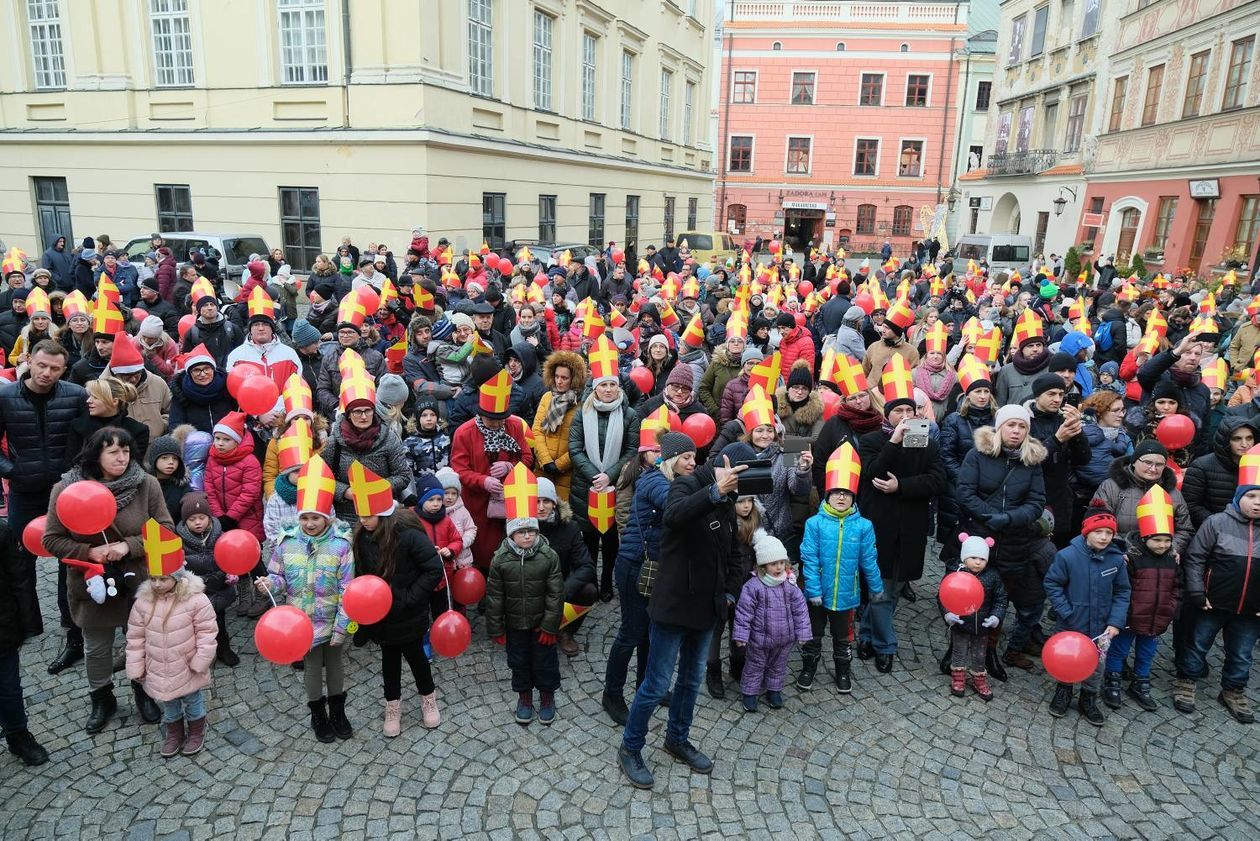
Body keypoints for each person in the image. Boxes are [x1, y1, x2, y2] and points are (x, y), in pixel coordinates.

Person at [618, 451, 746, 790]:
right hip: (674, 606)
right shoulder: (685, 486)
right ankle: (630, 747)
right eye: (734, 469)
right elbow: (675, 516)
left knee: (691, 682)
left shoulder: (727, 500)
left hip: (707, 608)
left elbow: (734, 552)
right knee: (657, 684)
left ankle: (677, 738)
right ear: (721, 464)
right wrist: (715, 492)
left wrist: (730, 593)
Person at [42, 427, 174, 734]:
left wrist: (129, 545)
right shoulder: (66, 488)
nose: (122, 457)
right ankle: (102, 697)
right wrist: (89, 551)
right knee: (97, 647)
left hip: (136, 580)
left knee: (139, 641)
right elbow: (51, 539)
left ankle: (143, 691)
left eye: (126, 451)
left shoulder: (146, 484)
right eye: (113, 451)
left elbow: (166, 527)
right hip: (92, 583)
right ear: (95, 454)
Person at [0, 340, 87, 673]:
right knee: (21, 559)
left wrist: (73, 474)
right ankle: (27, 623)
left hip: (66, 492)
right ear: (29, 362)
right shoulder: (6, 397)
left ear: (64, 369)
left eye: (54, 368)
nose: (47, 373)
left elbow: (85, 441)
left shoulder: (75, 396)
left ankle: (73, 631)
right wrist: (12, 471)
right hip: (24, 489)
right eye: (41, 365)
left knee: (69, 560)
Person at [856, 365, 948, 672]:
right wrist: (894, 442)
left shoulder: (929, 443)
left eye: (911, 409)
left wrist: (903, 486)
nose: (906, 415)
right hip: (879, 526)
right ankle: (886, 645)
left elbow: (938, 481)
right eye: (900, 411)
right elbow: (872, 473)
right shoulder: (871, 440)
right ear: (888, 415)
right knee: (880, 588)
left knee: (893, 589)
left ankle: (867, 634)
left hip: (910, 526)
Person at [256, 457, 355, 742]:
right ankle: (318, 714)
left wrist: (341, 627)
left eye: (316, 517)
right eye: (305, 517)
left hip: (332, 618)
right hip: (303, 621)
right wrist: (269, 584)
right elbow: (279, 577)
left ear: (328, 518)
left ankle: (338, 710)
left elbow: (348, 589)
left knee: (335, 664)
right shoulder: (286, 543)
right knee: (312, 667)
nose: (310, 523)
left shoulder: (341, 546)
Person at [956, 405, 1051, 679]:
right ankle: (959, 649)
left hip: (1013, 541)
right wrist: (989, 516)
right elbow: (964, 491)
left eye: (1022, 427)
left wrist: (1009, 519)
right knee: (969, 595)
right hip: (978, 537)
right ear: (999, 427)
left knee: (999, 598)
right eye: (1011, 425)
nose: (1016, 431)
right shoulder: (977, 455)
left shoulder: (1032, 462)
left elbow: (1036, 502)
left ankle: (988, 652)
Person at [602, 431, 685, 725]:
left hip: (656, 568)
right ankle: (612, 695)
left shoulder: (673, 480)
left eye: (694, 458)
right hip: (634, 565)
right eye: (686, 458)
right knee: (631, 632)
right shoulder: (654, 480)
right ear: (672, 458)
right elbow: (676, 506)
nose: (692, 463)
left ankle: (645, 688)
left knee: (650, 631)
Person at [353, 496, 445, 736]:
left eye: (369, 516)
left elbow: (433, 569)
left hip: (407, 614)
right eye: (360, 515)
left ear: (383, 515)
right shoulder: (362, 538)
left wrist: (409, 598)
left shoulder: (408, 535)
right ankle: (392, 704)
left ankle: (428, 698)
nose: (363, 521)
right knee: (389, 661)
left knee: (417, 660)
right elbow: (360, 574)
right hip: (381, 618)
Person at [1176, 460, 1260, 723]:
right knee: (1198, 643)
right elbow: (1195, 557)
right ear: (1239, 496)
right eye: (1252, 495)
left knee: (1242, 652)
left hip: (1250, 609)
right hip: (1212, 602)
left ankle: (1233, 689)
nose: (1258, 502)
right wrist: (1198, 592)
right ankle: (1187, 680)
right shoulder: (1216, 523)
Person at [1043, 503, 1131, 726]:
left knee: (1097, 665)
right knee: (1067, 659)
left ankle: (1088, 698)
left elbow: (1122, 591)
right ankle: (1063, 691)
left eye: (1109, 533)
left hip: (1101, 627)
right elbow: (1052, 583)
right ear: (1086, 531)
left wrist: (1115, 622)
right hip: (1071, 622)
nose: (1103, 537)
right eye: (1098, 532)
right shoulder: (1068, 556)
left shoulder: (1116, 560)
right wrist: (1065, 611)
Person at [124, 550, 218, 758]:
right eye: (153, 579)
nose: (157, 584)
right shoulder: (142, 602)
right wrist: (136, 666)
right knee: (169, 703)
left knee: (192, 700)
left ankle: (196, 730)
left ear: (177, 577)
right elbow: (135, 637)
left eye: (163, 579)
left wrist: (200, 661)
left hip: (187, 665)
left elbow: (207, 632)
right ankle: (174, 732)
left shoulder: (196, 600)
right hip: (158, 666)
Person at [568, 347, 640, 601]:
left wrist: (609, 475)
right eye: (603, 385)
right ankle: (590, 581)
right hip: (585, 486)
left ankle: (608, 579)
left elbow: (631, 450)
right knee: (588, 537)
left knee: (610, 539)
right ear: (595, 387)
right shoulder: (582, 413)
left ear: (619, 387)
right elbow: (575, 448)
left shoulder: (629, 415)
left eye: (612, 385)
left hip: (615, 485)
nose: (608, 389)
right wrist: (593, 475)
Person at [1101, 488, 1179, 713]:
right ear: (1145, 537)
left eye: (1167, 540)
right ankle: (1112, 680)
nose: (1162, 545)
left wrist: (1170, 607)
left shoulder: (1173, 562)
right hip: (1130, 617)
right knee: (1119, 650)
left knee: (1147, 653)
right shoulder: (1132, 560)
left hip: (1157, 618)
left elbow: (1177, 588)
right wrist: (1123, 613)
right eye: (1157, 540)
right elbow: (1123, 589)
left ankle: (1141, 681)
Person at [450, 370, 534, 569]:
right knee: (483, 555)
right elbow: (459, 470)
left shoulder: (514, 426)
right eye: (491, 420)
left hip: (510, 503)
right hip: (478, 507)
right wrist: (483, 481)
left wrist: (510, 467)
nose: (497, 424)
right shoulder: (465, 433)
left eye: (500, 419)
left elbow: (527, 458)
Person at [486, 511, 564, 726]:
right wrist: (496, 628)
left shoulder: (549, 557)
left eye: (531, 531)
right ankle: (524, 696)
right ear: (511, 535)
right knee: (518, 662)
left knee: (545, 662)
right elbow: (494, 597)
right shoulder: (500, 560)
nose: (527, 536)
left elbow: (556, 594)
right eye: (521, 532)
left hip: (541, 625)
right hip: (514, 625)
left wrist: (550, 626)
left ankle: (547, 696)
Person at [731, 532, 812, 712]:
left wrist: (803, 632)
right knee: (754, 666)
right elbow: (744, 613)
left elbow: (800, 610)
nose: (778, 567)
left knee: (778, 666)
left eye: (781, 563)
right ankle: (750, 693)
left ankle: (774, 690)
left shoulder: (789, 585)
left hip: (784, 639)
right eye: (773, 564)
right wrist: (741, 636)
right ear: (763, 566)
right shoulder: (753, 587)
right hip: (759, 639)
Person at [321, 378, 411, 526]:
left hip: (382, 516)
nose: (363, 416)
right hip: (346, 517)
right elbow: (322, 476)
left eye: (367, 411)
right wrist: (344, 491)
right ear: (349, 414)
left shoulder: (388, 438)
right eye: (357, 411)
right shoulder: (334, 442)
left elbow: (403, 475)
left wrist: (377, 488)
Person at [0, 516, 49, 766]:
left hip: (2, 626)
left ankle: (18, 735)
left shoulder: (2, 530)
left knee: (9, 689)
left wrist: (28, 626)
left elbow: (20, 578)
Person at [1090, 440, 1193, 555]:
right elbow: (1098, 523)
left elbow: (1184, 529)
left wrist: (1170, 549)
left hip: (1160, 558)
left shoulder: (1173, 493)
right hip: (1120, 555)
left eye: (1159, 465)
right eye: (1148, 462)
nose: (1153, 469)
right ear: (1134, 462)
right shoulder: (1111, 487)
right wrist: (1124, 551)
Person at [1026, 373, 1091, 547]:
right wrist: (1056, 440)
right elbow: (1029, 460)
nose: (1057, 399)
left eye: (1061, 395)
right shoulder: (1025, 420)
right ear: (1038, 395)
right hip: (1032, 496)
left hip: (1061, 499)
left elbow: (1083, 458)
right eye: (1051, 394)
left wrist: (1077, 431)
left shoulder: (1062, 419)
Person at [535, 477, 597, 657]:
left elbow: (587, 565)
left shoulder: (569, 527)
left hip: (559, 585)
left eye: (546, 501)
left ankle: (565, 631)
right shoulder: (518, 525)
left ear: (554, 503)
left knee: (589, 591)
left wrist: (563, 590)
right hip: (529, 587)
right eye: (536, 501)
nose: (541, 507)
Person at [176, 493, 239, 667]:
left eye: (202, 518)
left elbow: (232, 555)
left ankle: (224, 649)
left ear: (209, 518)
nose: (197, 522)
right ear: (185, 522)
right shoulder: (179, 541)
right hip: (196, 592)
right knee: (198, 626)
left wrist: (231, 572)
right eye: (192, 519)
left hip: (219, 587)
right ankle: (202, 653)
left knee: (220, 621)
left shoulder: (221, 535)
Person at [943, 535, 1007, 702]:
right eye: (973, 558)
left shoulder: (992, 576)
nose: (978, 562)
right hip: (961, 624)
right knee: (959, 651)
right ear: (965, 557)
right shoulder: (956, 574)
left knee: (980, 655)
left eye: (982, 559)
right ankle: (958, 677)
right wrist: (948, 614)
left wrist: (996, 616)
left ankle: (979, 678)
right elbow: (944, 596)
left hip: (982, 625)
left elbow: (1001, 598)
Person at [65, 376, 150, 467]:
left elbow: (134, 466)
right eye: (90, 396)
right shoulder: (78, 426)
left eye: (95, 397)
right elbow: (71, 464)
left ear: (114, 401)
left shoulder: (138, 430)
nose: (88, 401)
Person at [205, 412, 264, 541]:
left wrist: (231, 516)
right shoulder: (212, 459)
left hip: (247, 519)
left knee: (249, 555)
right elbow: (209, 490)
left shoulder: (250, 461)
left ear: (238, 441)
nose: (220, 443)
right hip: (220, 520)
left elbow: (250, 493)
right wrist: (219, 516)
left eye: (226, 439)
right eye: (217, 438)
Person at [168, 345, 235, 433]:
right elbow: (175, 425)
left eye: (206, 369)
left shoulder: (228, 387)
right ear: (189, 373)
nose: (202, 374)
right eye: (196, 370)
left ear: (213, 369)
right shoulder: (180, 393)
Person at [435, 467, 477, 572]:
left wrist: (463, 543)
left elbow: (471, 528)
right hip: (444, 560)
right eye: (446, 493)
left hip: (462, 560)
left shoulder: (462, 511)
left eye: (453, 493)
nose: (450, 497)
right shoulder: (435, 512)